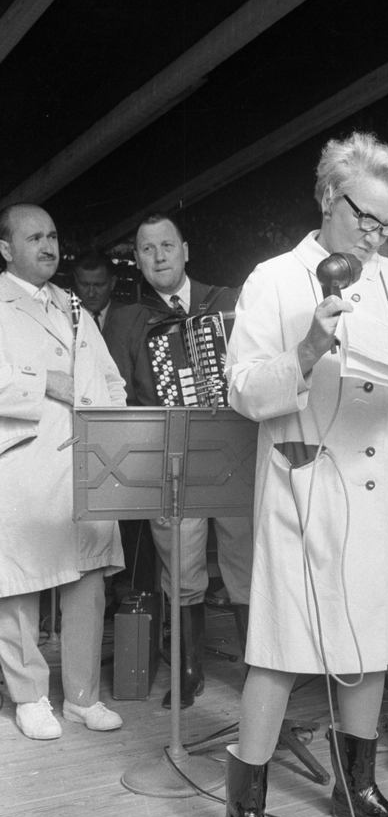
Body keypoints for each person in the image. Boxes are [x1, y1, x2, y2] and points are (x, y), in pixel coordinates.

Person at [223, 131, 388, 817]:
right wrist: (308, 350)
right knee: (282, 652)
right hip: (306, 484)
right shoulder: (273, 281)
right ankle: (245, 813)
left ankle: (356, 789)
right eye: (366, 219)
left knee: (370, 643)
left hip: (382, 484)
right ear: (328, 197)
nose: (378, 236)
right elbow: (247, 392)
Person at [105, 213, 254, 708]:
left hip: (235, 451)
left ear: (185, 250)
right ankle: (188, 669)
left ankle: (259, 665)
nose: (159, 256)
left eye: (166, 245)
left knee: (245, 557)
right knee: (182, 566)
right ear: (137, 259)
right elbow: (118, 395)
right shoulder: (126, 319)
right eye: (147, 250)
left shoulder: (229, 301)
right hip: (169, 458)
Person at [0, 203, 125, 739]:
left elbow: (112, 381)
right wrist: (45, 383)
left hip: (86, 459)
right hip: (25, 461)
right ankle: (29, 697)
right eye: (34, 238)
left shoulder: (73, 305)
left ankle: (81, 697)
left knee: (87, 581)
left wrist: (115, 430)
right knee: (22, 584)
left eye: (52, 236)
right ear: (6, 249)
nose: (48, 246)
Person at [73, 250, 123, 339]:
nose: (91, 294)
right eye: (84, 285)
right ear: (76, 281)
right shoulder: (63, 318)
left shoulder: (129, 318)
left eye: (99, 285)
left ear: (113, 283)